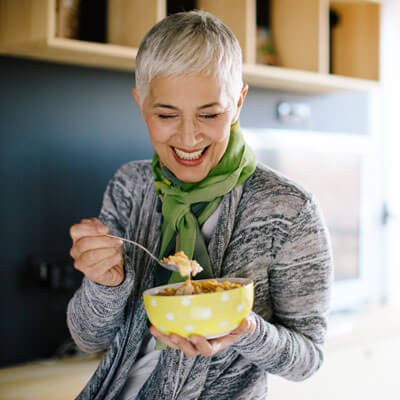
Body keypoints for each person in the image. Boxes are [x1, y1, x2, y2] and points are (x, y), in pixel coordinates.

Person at [67, 10, 333, 400]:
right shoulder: (129, 186)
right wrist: (105, 283)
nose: (189, 137)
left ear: (239, 102)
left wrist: (246, 331)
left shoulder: (289, 209)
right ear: (140, 102)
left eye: (210, 113)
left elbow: (308, 358)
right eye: (166, 114)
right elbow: (88, 337)